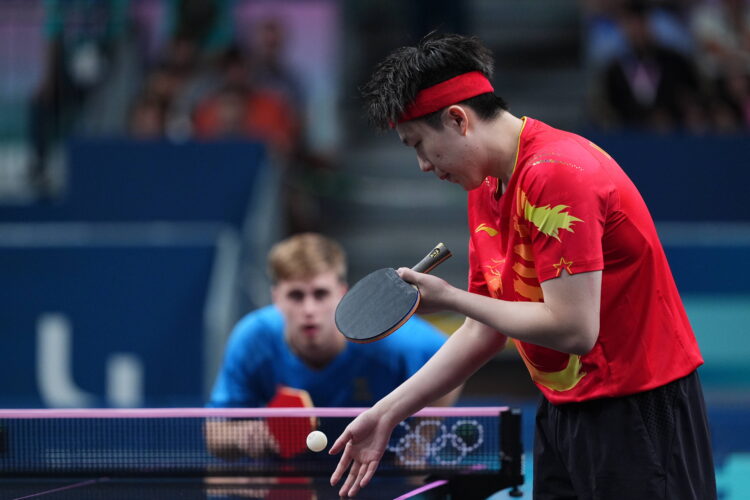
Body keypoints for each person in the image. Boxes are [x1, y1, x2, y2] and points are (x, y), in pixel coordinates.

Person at [328, 33, 716, 499]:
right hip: (563, 408)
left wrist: (447, 297)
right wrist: (387, 412)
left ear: (458, 119)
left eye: (419, 145)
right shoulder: (485, 184)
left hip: (637, 408)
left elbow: (574, 328)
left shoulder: (557, 172)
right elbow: (483, 329)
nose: (423, 166)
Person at [205, 232, 458, 459]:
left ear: (342, 293)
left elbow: (453, 362)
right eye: (296, 295)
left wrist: (418, 446)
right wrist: (243, 436)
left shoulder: (396, 340)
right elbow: (214, 434)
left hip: (377, 474)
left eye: (320, 294)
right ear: (276, 298)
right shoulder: (252, 339)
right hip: (291, 479)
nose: (309, 310)